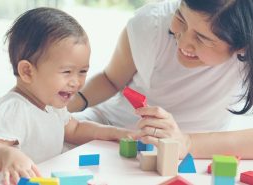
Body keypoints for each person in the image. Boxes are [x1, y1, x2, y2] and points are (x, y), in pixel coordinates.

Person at [68, 0, 253, 159]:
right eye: (181, 18)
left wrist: (186, 143)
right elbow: (111, 80)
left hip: (196, 150)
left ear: (242, 46)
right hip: (110, 127)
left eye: (202, 38)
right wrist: (63, 104)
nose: (182, 41)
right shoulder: (152, 24)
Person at [0, 7, 135, 185]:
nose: (76, 82)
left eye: (82, 71)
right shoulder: (14, 109)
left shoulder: (51, 103)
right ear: (27, 71)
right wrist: (7, 154)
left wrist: (114, 132)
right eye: (67, 71)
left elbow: (75, 129)